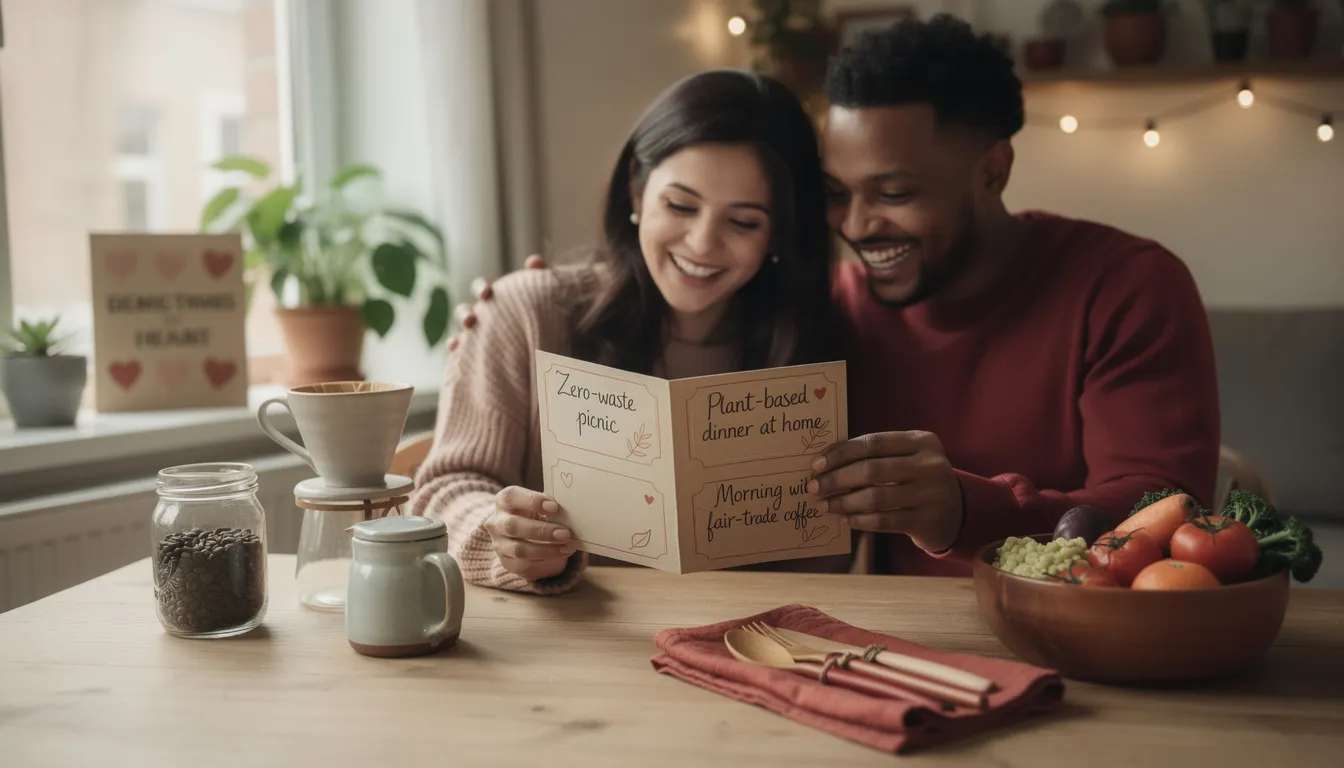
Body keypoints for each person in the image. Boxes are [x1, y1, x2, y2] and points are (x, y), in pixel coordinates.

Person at [449, 15, 1222, 578]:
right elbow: (456, 482)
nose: (856, 225)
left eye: (894, 192)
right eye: (836, 194)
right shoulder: (832, 305)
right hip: (875, 647)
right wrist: (528, 305)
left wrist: (962, 509)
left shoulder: (1125, 288)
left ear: (993, 170)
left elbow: (1164, 513)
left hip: (1072, 634)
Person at [409, 69, 842, 594]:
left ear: (780, 232)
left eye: (744, 222)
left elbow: (821, 559)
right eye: (680, 205)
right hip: (563, 643)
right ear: (636, 189)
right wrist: (500, 534)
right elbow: (443, 489)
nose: (703, 244)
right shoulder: (527, 312)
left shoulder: (815, 346)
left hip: (746, 644)